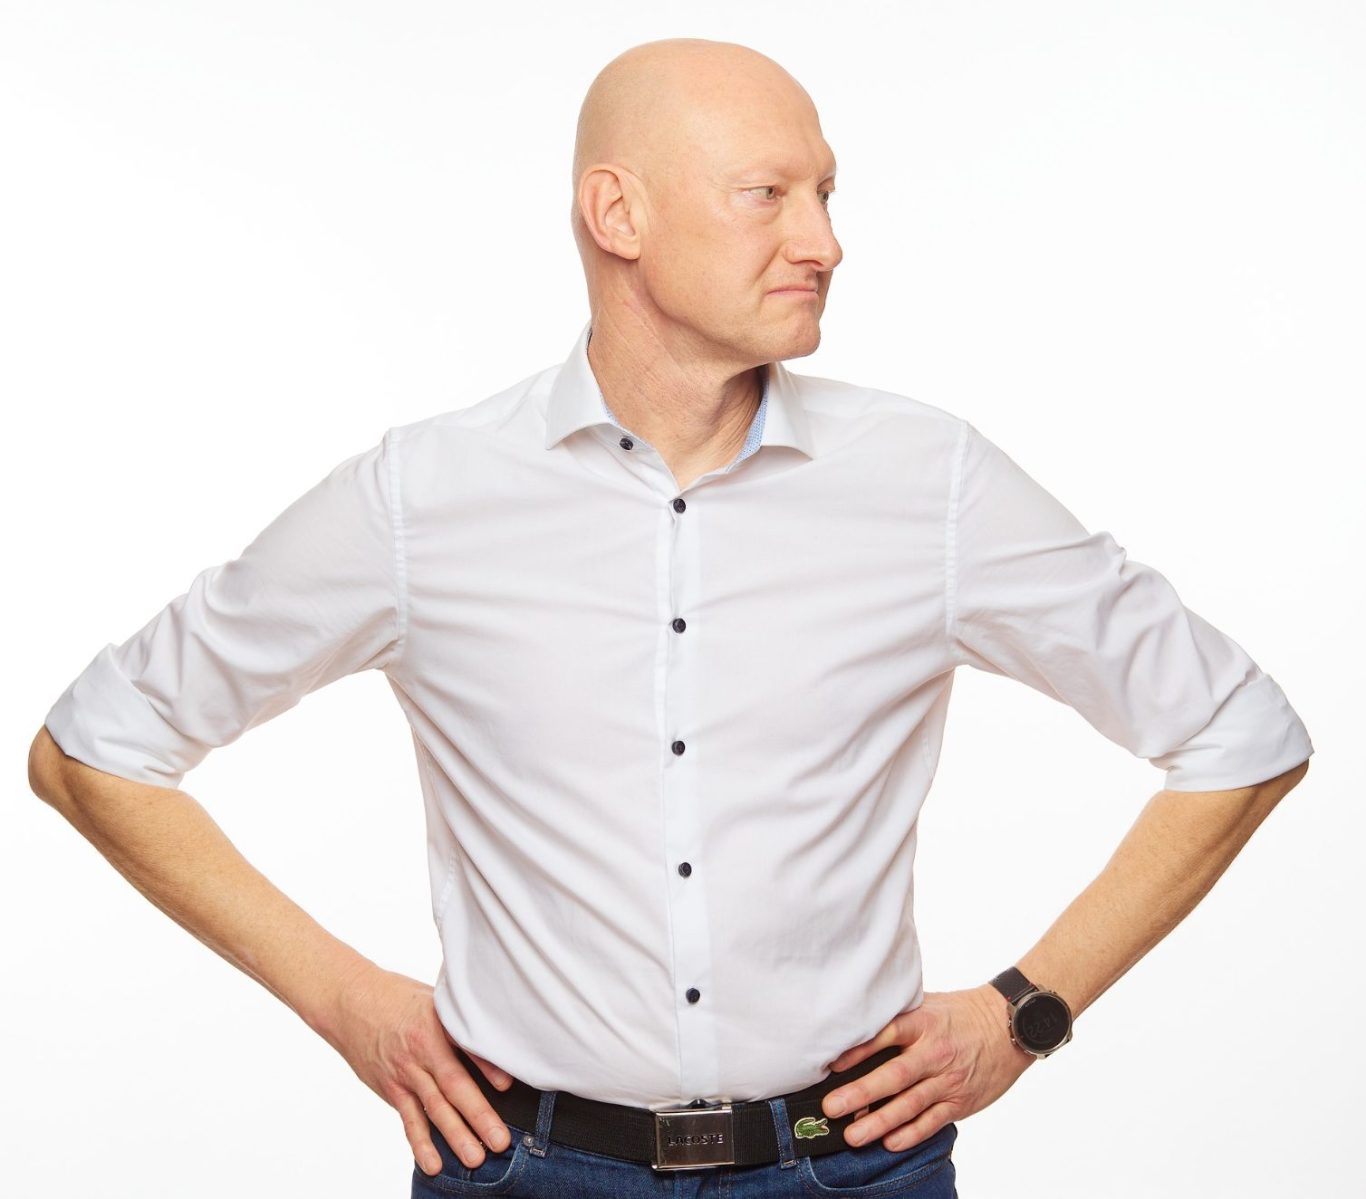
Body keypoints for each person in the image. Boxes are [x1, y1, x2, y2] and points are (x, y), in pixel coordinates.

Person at [28, 36, 1313, 1198]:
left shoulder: (929, 482)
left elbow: (1240, 733)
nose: (823, 241)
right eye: (769, 194)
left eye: (826, 193)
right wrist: (347, 1000)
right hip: (523, 1169)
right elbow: (92, 749)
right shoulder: (423, 496)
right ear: (617, 214)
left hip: (850, 1167)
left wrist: (1024, 1011)